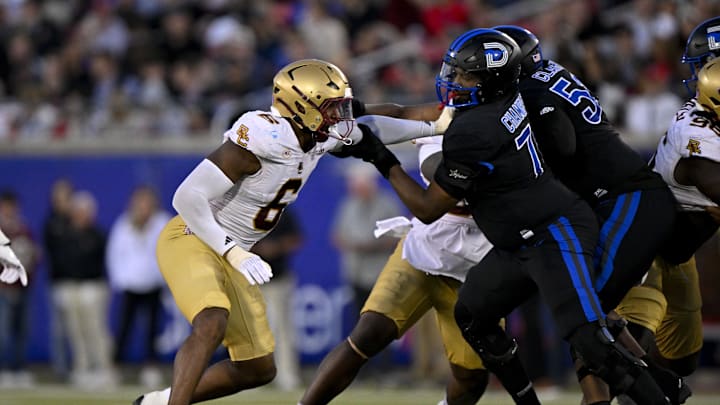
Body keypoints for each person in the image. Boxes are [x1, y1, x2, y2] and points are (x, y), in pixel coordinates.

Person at [335, 28, 669, 405]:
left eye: (466, 76)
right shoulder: (509, 97)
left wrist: (379, 156)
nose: (454, 82)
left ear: (492, 80)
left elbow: (427, 209)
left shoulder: (475, 130)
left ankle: (662, 396)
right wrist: (357, 112)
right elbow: (417, 113)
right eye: (456, 72)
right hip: (517, 240)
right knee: (473, 312)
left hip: (553, 233)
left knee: (588, 338)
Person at [133, 58, 447, 405]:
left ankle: (157, 402)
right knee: (211, 322)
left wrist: (438, 124)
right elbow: (186, 197)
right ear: (302, 107)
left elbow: (377, 122)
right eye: (332, 108)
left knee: (258, 369)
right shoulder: (264, 137)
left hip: (233, 253)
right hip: (193, 236)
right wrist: (232, 251)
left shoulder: (318, 134)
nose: (340, 117)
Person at [491, 25, 687, 405]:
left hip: (627, 199)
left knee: (582, 314)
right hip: (623, 198)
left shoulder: (531, 89)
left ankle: (638, 392)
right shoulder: (550, 74)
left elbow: (562, 143)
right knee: (585, 307)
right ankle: (662, 383)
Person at [300, 135, 494, 405]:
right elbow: (402, 115)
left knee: (473, 376)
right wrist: (357, 121)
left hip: (472, 270)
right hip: (420, 255)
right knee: (366, 334)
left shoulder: (513, 143)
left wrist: (382, 157)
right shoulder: (443, 123)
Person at [616, 17, 720, 380]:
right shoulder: (694, 133)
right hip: (644, 247)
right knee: (631, 352)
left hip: (678, 254)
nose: (695, 77)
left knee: (681, 361)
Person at [106, 185, 171, 387]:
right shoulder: (124, 224)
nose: (143, 206)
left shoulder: (162, 222)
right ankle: (115, 368)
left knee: (152, 328)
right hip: (130, 285)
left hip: (153, 283)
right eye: (139, 201)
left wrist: (166, 279)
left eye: (146, 201)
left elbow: (169, 251)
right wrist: (119, 280)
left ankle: (151, 368)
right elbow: (114, 253)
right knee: (124, 328)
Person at [332, 161, 402, 318]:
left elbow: (400, 236)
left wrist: (373, 246)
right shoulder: (348, 205)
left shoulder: (387, 204)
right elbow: (337, 235)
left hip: (380, 273)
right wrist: (350, 244)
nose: (357, 191)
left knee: (381, 319)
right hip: (356, 273)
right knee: (360, 317)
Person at [251, 207, 304, 391]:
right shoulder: (246, 209)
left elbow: (296, 239)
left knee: (283, 329)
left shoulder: (282, 211)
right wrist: (257, 248)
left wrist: (277, 247)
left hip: (278, 278)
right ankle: (253, 379)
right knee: (252, 331)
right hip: (251, 279)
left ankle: (287, 376)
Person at [0, 191, 37, 388]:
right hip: (3, 288)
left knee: (22, 331)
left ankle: (19, 368)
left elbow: (33, 256)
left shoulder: (23, 229)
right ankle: (4, 369)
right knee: (3, 332)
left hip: (22, 288)